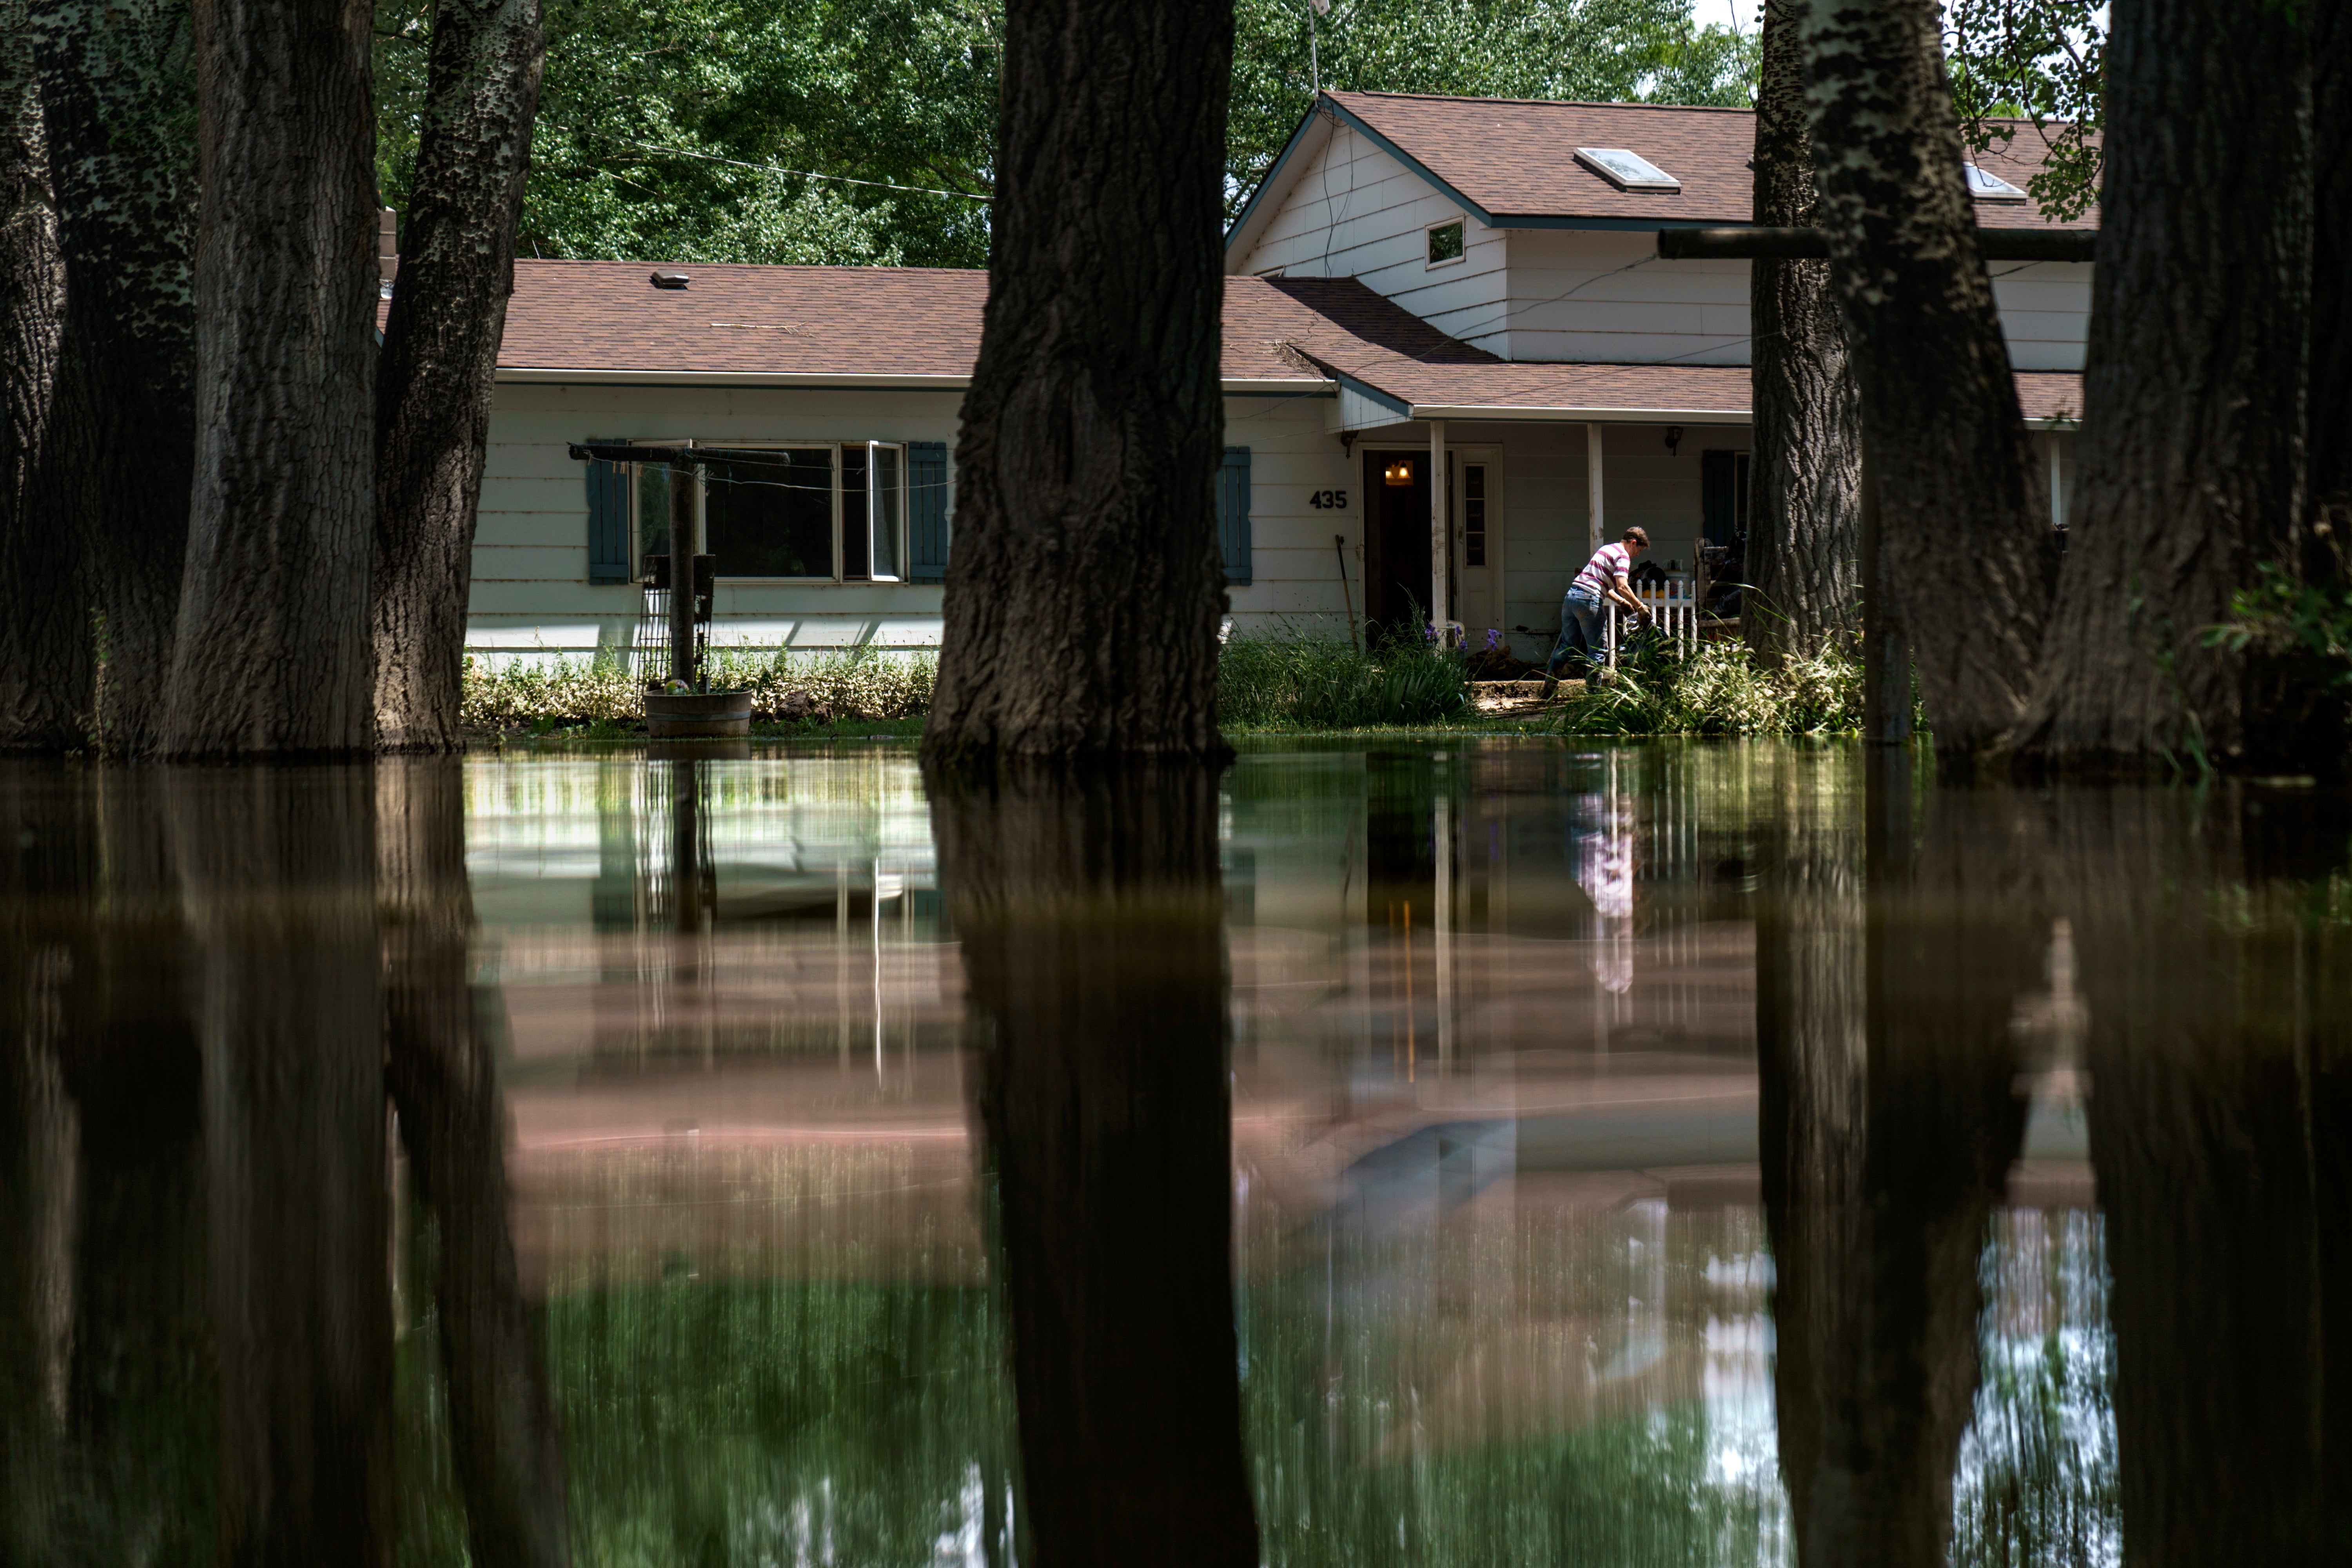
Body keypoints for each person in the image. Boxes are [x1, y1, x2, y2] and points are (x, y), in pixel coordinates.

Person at [1546, 526, 1653, 681]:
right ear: (1633, 543)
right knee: (1598, 652)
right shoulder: (1623, 556)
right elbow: (1623, 586)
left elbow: (1599, 584)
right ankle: (1593, 700)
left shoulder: (1607, 549)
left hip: (1572, 598)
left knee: (1568, 647)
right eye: (1639, 550)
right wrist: (1640, 607)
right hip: (1589, 601)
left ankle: (1548, 689)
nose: (1637, 555)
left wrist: (1622, 602)